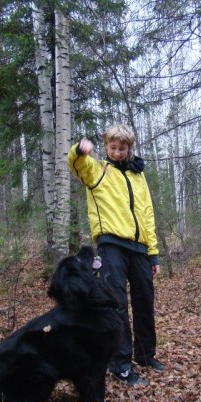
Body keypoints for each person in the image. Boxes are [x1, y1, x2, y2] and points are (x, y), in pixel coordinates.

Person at [67, 123, 163, 386]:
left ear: (129, 148)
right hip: (111, 245)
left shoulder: (137, 175)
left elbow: (147, 214)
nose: (118, 152)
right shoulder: (97, 169)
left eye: (122, 148)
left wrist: (153, 255)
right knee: (117, 303)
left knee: (145, 301)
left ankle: (146, 355)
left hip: (140, 247)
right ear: (106, 146)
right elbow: (75, 165)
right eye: (113, 147)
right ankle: (120, 365)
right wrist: (79, 150)